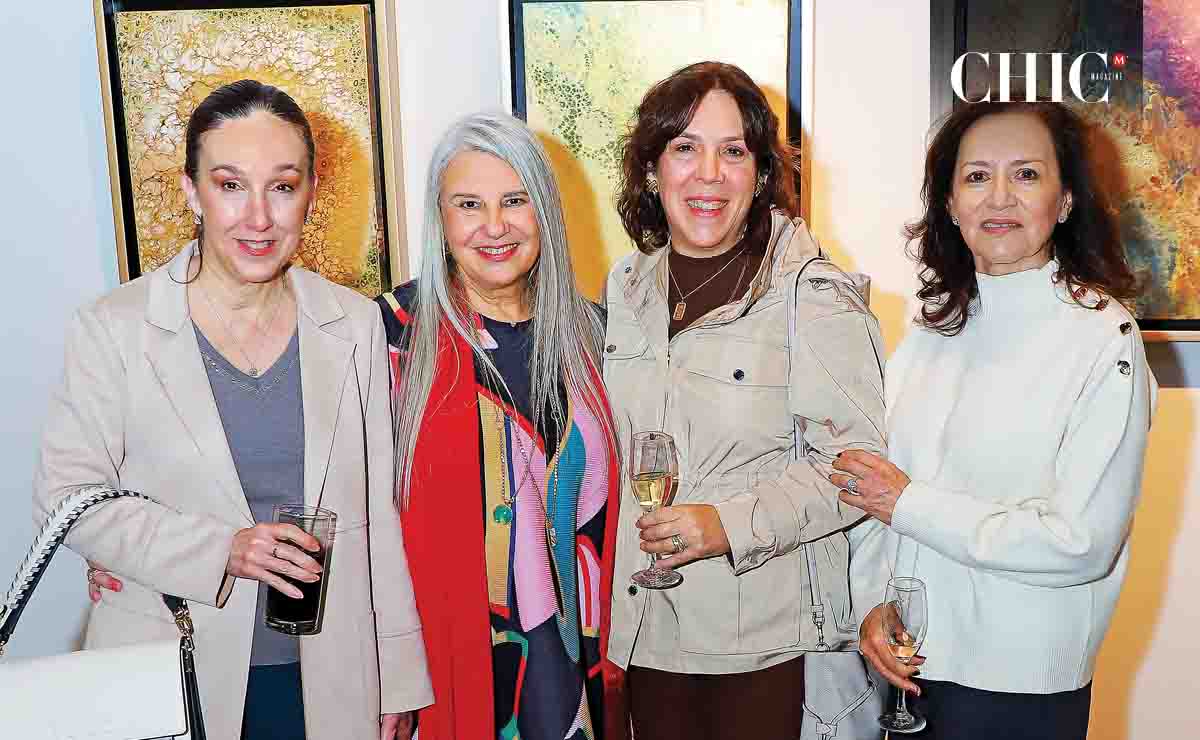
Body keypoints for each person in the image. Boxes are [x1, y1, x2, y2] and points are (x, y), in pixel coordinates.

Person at [39, 79, 431, 740]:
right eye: (229, 185)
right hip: (167, 672)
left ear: (310, 194)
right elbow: (68, 499)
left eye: (282, 186)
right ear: (191, 191)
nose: (258, 218)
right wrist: (225, 549)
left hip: (327, 675)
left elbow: (374, 517)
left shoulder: (355, 324)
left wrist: (397, 674)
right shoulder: (114, 328)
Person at [834, 100, 1157, 740]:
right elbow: (876, 483)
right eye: (977, 176)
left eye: (1027, 174)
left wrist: (910, 504)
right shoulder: (935, 325)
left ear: (1065, 200)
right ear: (950, 204)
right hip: (911, 669)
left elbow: (1081, 542)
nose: (999, 196)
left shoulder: (1102, 335)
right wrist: (870, 604)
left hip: (1019, 686)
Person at [602, 61, 888, 740]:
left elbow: (860, 469)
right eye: (684, 148)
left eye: (733, 151)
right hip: (644, 632)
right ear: (650, 170)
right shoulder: (625, 291)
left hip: (763, 643)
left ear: (760, 176)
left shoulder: (811, 296)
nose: (709, 173)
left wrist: (728, 524)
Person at [376, 113, 626, 740]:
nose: (494, 227)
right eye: (469, 205)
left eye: (514, 200)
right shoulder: (388, 336)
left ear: (544, 211)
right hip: (446, 665)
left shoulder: (598, 337)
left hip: (587, 660)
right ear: (441, 221)